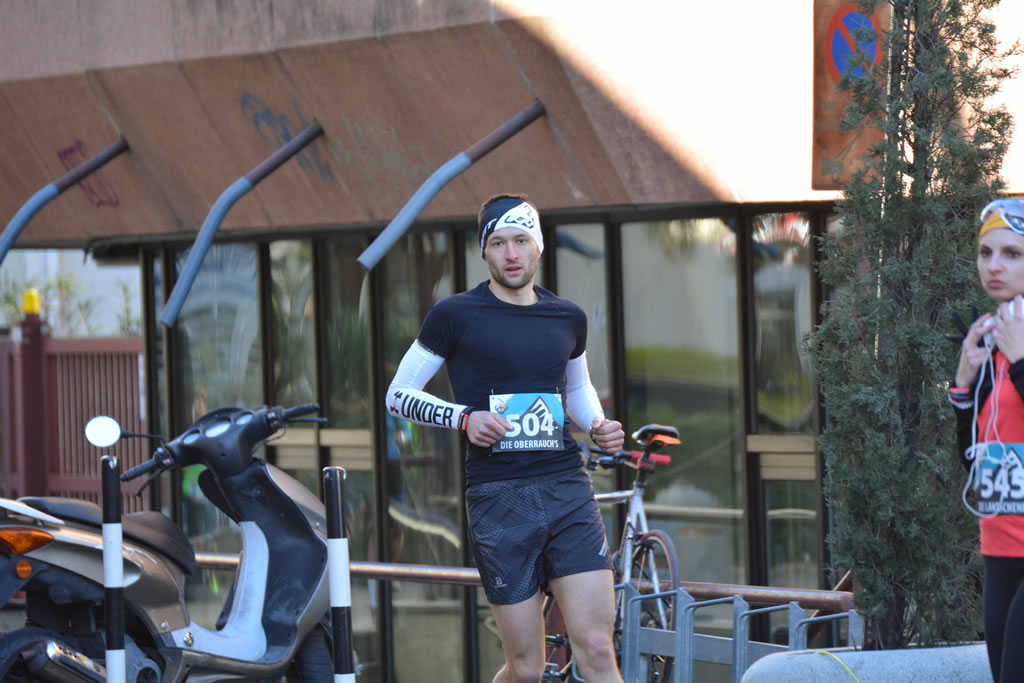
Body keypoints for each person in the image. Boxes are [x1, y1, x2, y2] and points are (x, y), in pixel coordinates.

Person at [386, 193, 625, 683]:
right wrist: (464, 419)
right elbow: (398, 395)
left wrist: (598, 424)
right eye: (498, 243)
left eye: (520, 240)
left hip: (566, 489)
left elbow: (575, 388)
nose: (511, 254)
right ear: (484, 251)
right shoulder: (454, 315)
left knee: (598, 649)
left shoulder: (567, 317)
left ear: (538, 246)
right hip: (498, 498)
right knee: (527, 668)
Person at [952, 198, 1024, 683]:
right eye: (985, 252)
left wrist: (1021, 364)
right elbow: (974, 465)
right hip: (999, 547)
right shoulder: (992, 342)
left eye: (1012, 254)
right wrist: (963, 387)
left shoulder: (1014, 349)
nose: (994, 265)